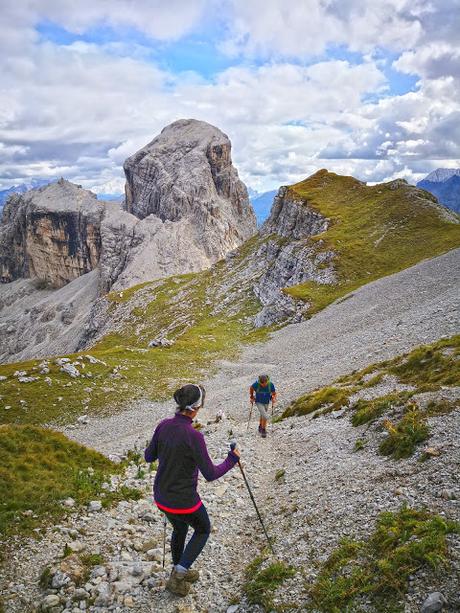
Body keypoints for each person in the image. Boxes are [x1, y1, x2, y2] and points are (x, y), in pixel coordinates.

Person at [144, 384, 240, 597]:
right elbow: (211, 474)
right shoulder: (194, 436)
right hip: (184, 500)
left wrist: (162, 445)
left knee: (179, 529)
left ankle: (179, 568)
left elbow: (149, 457)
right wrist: (232, 459)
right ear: (196, 407)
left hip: (161, 497)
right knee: (203, 529)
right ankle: (179, 574)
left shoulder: (163, 426)